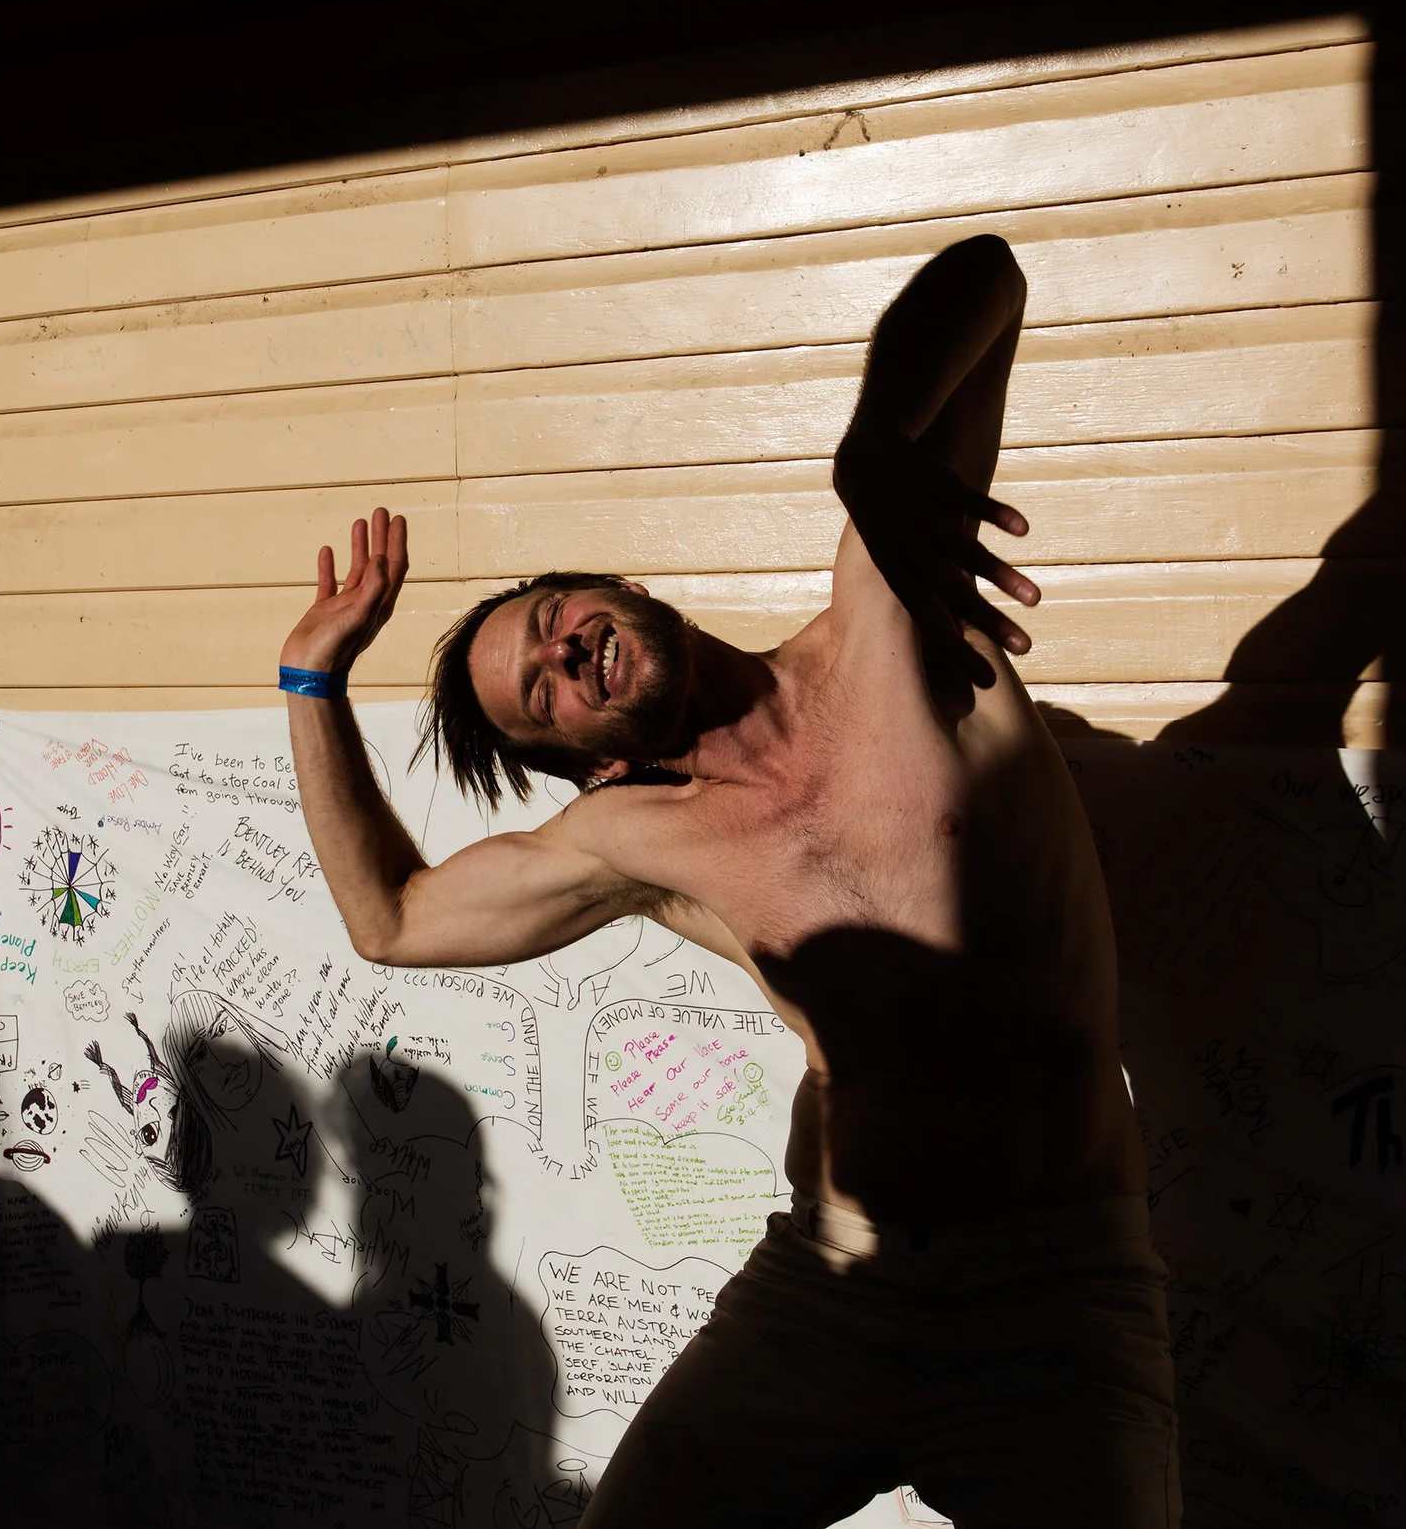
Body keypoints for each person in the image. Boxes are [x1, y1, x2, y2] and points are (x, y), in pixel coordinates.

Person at [279, 234, 1178, 1527]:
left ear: (625, 589)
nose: (564, 657)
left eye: (553, 624)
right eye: (538, 695)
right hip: (832, 1287)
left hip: (1058, 1294)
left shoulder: (894, 608)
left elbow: (987, 276)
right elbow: (391, 916)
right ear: (581, 761)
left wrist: (872, 443)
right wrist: (313, 679)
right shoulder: (633, 840)